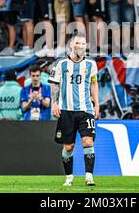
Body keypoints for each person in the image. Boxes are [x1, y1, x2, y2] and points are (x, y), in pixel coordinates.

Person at [49, 33, 99, 187]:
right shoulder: (60, 64)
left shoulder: (91, 64)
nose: (81, 46)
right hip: (66, 110)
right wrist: (54, 103)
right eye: (78, 43)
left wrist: (97, 104)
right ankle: (69, 177)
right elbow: (54, 85)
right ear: (71, 45)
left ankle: (89, 176)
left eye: (84, 44)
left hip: (86, 110)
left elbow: (93, 84)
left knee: (87, 141)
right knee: (68, 146)